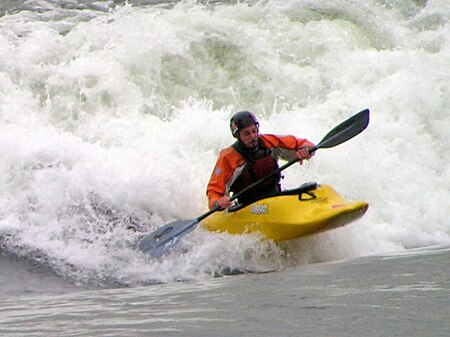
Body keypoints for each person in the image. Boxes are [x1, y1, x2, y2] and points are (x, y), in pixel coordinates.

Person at [206, 111, 316, 210]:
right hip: (247, 206)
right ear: (238, 136)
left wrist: (305, 150)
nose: (253, 136)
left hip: (275, 196)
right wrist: (217, 203)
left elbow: (301, 143)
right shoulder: (228, 157)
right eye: (246, 134)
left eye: (254, 131)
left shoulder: (269, 141)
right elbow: (213, 191)